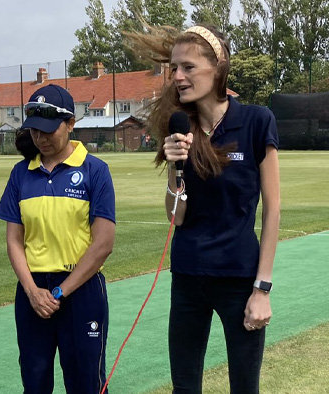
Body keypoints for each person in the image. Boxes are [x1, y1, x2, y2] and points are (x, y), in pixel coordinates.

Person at [126, 24, 281, 393]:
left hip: (239, 280)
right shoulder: (179, 126)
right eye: (174, 68)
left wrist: (262, 289)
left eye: (188, 67)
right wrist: (173, 168)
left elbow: (273, 209)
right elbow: (175, 217)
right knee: (185, 387)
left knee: (244, 387)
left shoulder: (258, 121)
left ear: (218, 67)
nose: (178, 76)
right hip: (188, 277)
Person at [0, 84, 116, 394]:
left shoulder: (95, 171)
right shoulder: (21, 173)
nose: (41, 138)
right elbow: (14, 240)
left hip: (81, 290)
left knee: (85, 382)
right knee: (35, 382)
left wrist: (61, 291)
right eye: (35, 131)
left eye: (49, 130)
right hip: (33, 292)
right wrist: (33, 291)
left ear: (71, 124)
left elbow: (103, 243)